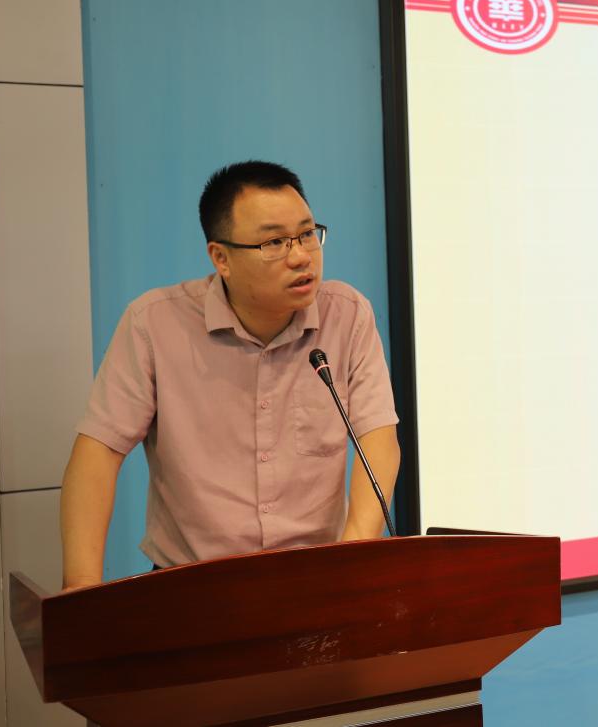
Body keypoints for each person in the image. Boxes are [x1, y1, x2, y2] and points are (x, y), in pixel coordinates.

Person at [60, 161, 400, 590]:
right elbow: (98, 453)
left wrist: (351, 560)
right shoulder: (154, 324)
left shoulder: (347, 315)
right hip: (192, 588)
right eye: (274, 242)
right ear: (221, 258)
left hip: (317, 581)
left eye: (306, 234)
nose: (301, 256)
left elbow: (378, 440)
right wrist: (80, 590)